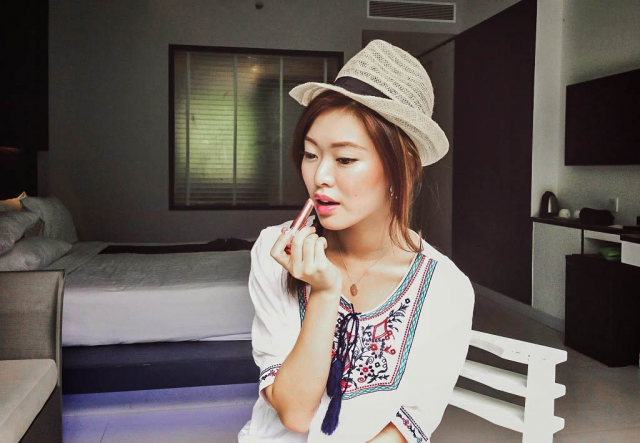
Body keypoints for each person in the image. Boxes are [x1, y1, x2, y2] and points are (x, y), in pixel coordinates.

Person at [238, 39, 475, 443]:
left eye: (345, 159)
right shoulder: (275, 250)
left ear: (405, 168)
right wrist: (324, 292)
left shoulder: (445, 287)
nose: (320, 176)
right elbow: (294, 413)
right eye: (310, 154)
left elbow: (406, 428)